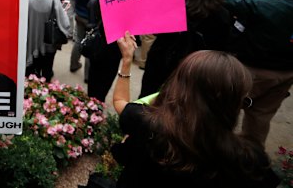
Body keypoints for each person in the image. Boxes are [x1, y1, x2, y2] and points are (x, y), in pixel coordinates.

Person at [111, 32, 279, 188]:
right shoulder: (249, 161)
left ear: (176, 88)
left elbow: (120, 102)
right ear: (232, 103)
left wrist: (127, 59)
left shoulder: (146, 123)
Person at [223, 0, 293, 146]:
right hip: (286, 75)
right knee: (261, 116)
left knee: (225, 109)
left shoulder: (263, 5)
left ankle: (217, 149)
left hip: (252, 71)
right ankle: (252, 156)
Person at [139, 0, 232, 98]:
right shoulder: (221, 13)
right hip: (196, 67)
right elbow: (221, 45)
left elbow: (156, 31)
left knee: (149, 99)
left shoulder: (174, 6)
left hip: (162, 59)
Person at [26, 0, 70, 80]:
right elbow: (65, 23)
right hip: (48, 43)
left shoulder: (26, 0)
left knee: (30, 72)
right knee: (47, 70)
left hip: (30, 43)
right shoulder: (54, 1)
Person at [70, 0, 106, 78]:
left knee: (79, 41)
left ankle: (73, 64)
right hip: (90, 19)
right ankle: (87, 76)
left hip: (79, 14)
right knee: (91, 45)